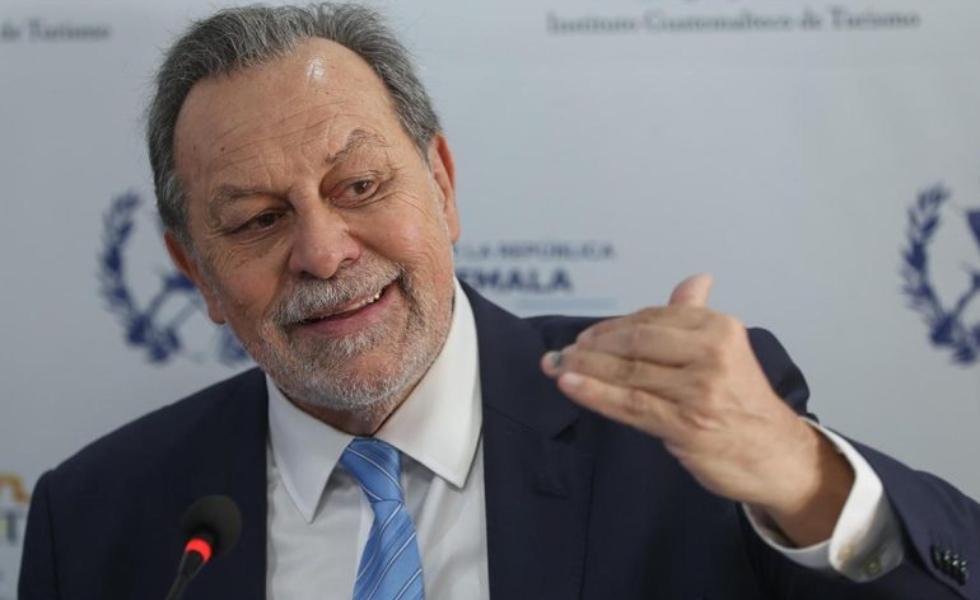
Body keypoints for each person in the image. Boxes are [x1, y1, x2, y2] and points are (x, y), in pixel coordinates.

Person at [18, 4, 979, 599]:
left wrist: (802, 479)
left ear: (442, 183)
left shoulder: (670, 434)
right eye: (259, 220)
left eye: (360, 187)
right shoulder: (97, 520)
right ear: (195, 272)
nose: (323, 251)